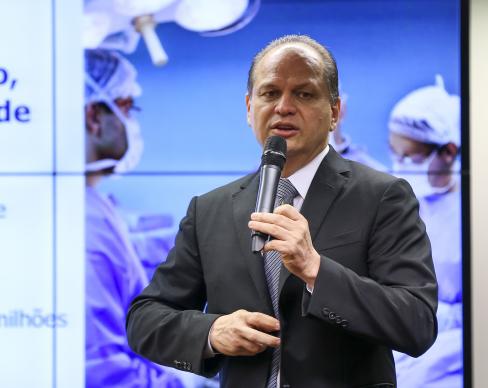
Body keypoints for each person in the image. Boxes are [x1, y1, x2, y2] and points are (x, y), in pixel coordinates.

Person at [126, 35, 438, 388]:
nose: (283, 107)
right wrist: (212, 332)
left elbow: (417, 323)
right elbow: (145, 319)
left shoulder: (383, 197)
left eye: (303, 94)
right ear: (249, 107)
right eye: (270, 93)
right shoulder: (208, 210)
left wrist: (316, 271)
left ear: (334, 112)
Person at [84, 49, 200, 388]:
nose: (132, 124)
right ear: (93, 117)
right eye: (127, 109)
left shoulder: (94, 207)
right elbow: (100, 370)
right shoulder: (84, 222)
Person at [388, 75, 463, 387]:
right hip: (406, 330)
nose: (401, 164)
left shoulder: (468, 210)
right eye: (395, 153)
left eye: (412, 156)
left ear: (447, 151)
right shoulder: (404, 200)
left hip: (455, 346)